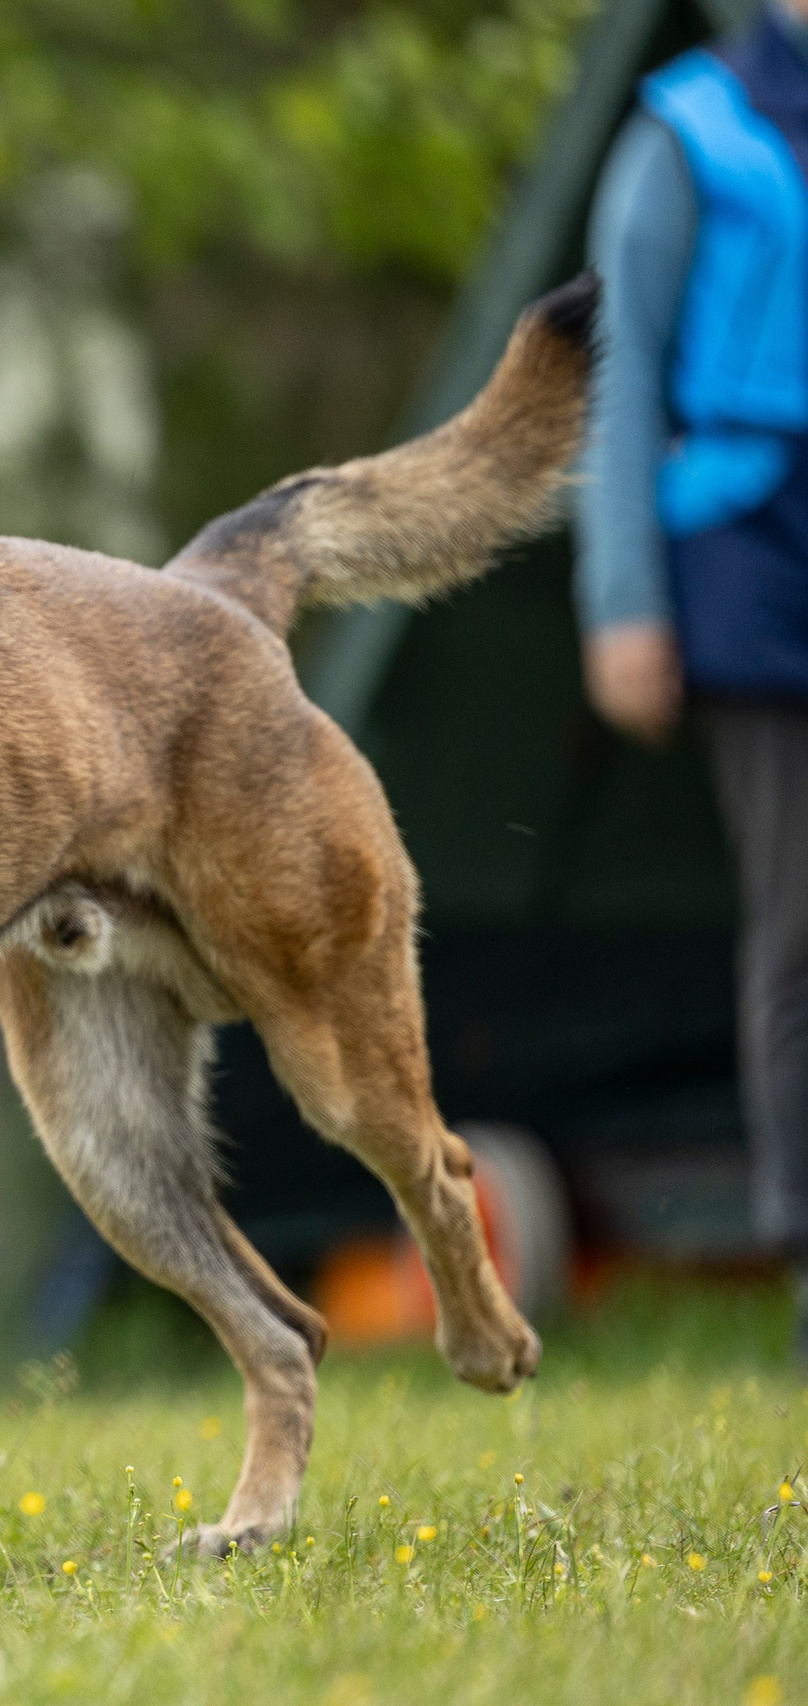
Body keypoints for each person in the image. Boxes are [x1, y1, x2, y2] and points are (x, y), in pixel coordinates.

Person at [578, 0, 808, 1343]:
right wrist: (622, 604)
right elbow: (620, 379)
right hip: (746, 551)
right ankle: (799, 1240)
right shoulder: (689, 128)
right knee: (800, 921)